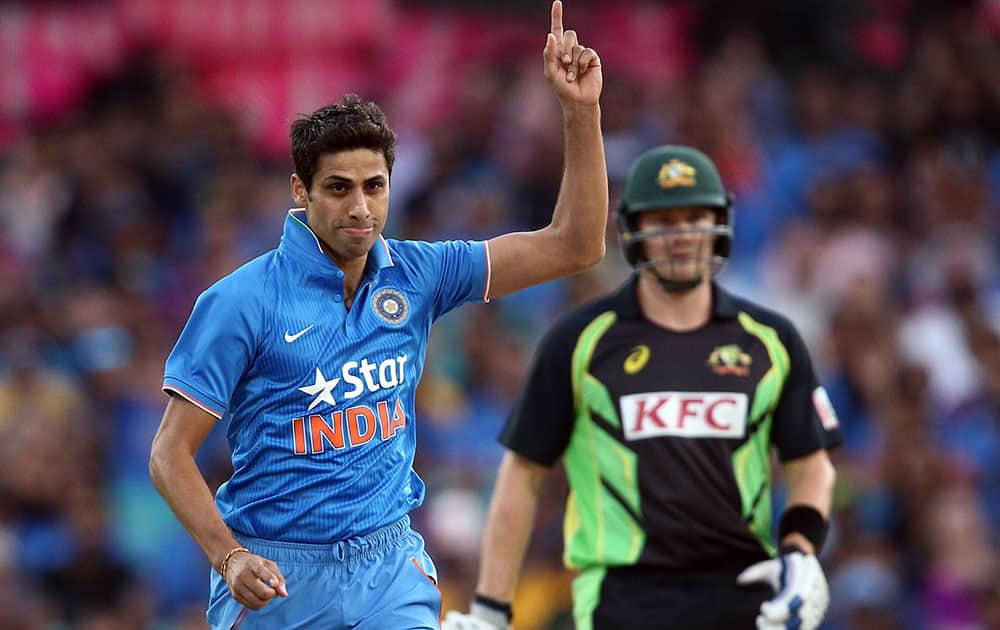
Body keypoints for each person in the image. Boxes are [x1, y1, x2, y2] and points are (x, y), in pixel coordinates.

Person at [147, 2, 605, 628]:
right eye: (338, 188)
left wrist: (581, 112)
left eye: (375, 186)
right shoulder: (240, 302)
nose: (361, 207)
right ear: (301, 191)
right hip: (279, 576)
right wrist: (227, 557)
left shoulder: (420, 274)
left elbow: (576, 244)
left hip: (390, 566)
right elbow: (169, 455)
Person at [444, 145, 842, 630]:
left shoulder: (771, 341)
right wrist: (491, 608)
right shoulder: (580, 342)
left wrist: (801, 550)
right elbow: (522, 474)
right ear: (634, 229)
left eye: (696, 217)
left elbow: (810, 463)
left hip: (745, 592)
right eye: (664, 220)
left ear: (721, 223)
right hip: (621, 596)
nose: (681, 235)